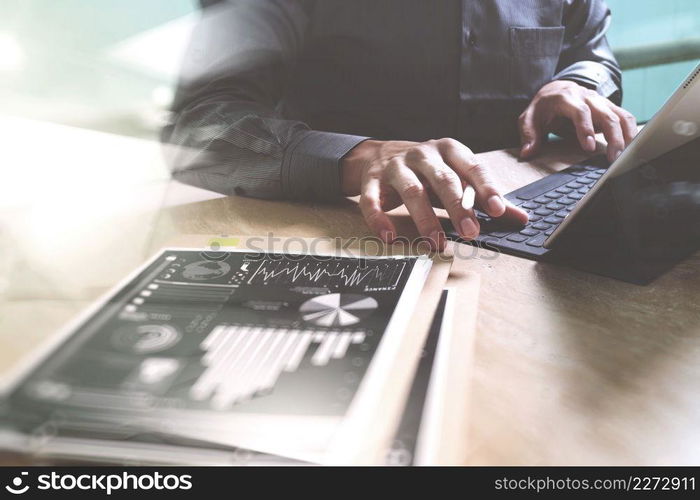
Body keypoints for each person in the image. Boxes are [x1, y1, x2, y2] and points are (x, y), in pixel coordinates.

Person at [162, 0, 637, 249]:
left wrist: (578, 82)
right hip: (347, 240)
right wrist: (360, 155)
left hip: (522, 237)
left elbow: (593, 55)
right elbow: (198, 127)